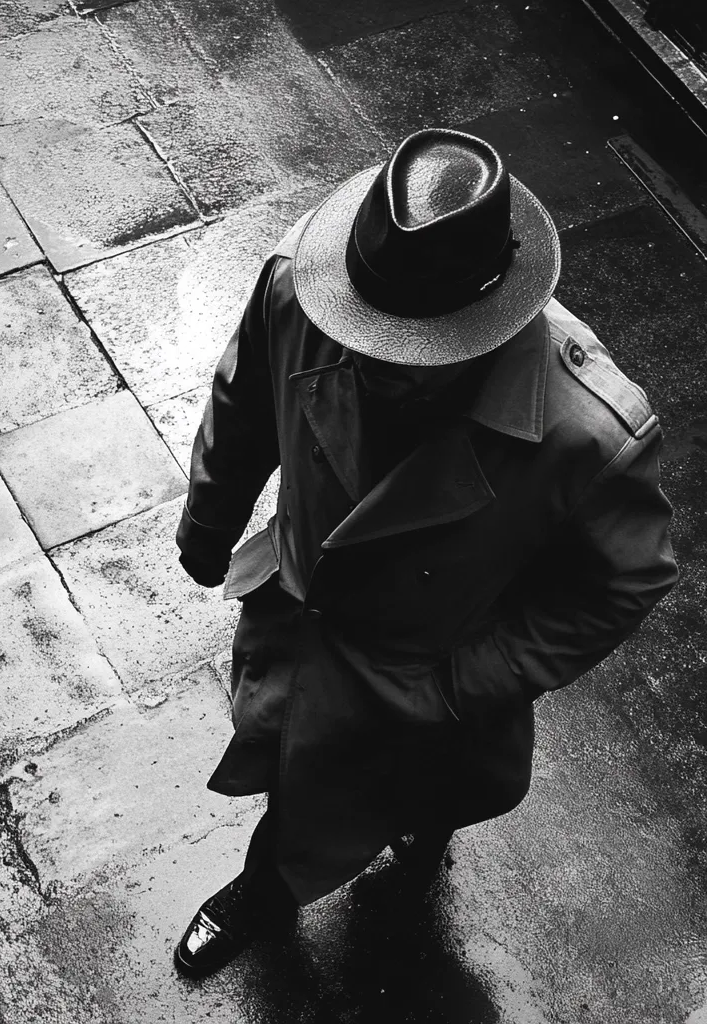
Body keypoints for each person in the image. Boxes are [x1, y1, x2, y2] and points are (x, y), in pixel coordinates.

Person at [173, 127, 678, 977]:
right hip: (304, 615)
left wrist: (460, 681)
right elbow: (247, 395)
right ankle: (267, 889)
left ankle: (422, 830)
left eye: (410, 354)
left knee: (433, 784)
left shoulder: (592, 433)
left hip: (434, 663)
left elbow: (624, 581)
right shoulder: (304, 283)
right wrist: (207, 524)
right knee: (300, 778)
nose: (370, 361)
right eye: (363, 329)